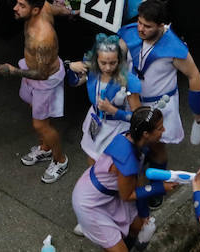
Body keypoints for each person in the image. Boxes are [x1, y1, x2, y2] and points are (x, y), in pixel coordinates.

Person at [120, 0, 200, 169]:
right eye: (139, 22)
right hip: (132, 101)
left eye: (147, 26)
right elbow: (109, 57)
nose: (140, 29)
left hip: (158, 108)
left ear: (161, 26)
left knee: (156, 147)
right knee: (130, 141)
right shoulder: (129, 34)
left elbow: (194, 76)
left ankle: (157, 186)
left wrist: (198, 113)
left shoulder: (175, 48)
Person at [0, 0, 70, 183]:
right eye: (17, 3)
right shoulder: (42, 7)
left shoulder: (43, 37)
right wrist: (68, 12)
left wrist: (13, 71)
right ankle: (45, 149)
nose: (15, 8)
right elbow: (54, 8)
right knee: (34, 111)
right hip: (31, 73)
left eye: (21, 5)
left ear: (35, 10)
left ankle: (60, 160)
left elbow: (42, 74)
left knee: (40, 125)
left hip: (43, 79)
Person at [68, 106, 168, 252]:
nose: (164, 130)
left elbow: (137, 181)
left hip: (108, 193)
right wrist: (161, 188)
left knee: (137, 227)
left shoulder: (129, 136)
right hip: (90, 204)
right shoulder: (127, 161)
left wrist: (144, 214)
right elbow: (128, 195)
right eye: (160, 128)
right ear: (146, 134)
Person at [65, 33, 141, 161]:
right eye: (103, 63)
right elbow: (74, 83)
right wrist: (70, 67)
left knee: (112, 166)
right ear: (96, 59)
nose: (108, 67)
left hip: (117, 127)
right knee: (92, 159)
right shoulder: (92, 71)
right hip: (95, 120)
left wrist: (113, 110)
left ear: (120, 60)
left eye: (113, 63)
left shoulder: (129, 82)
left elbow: (138, 117)